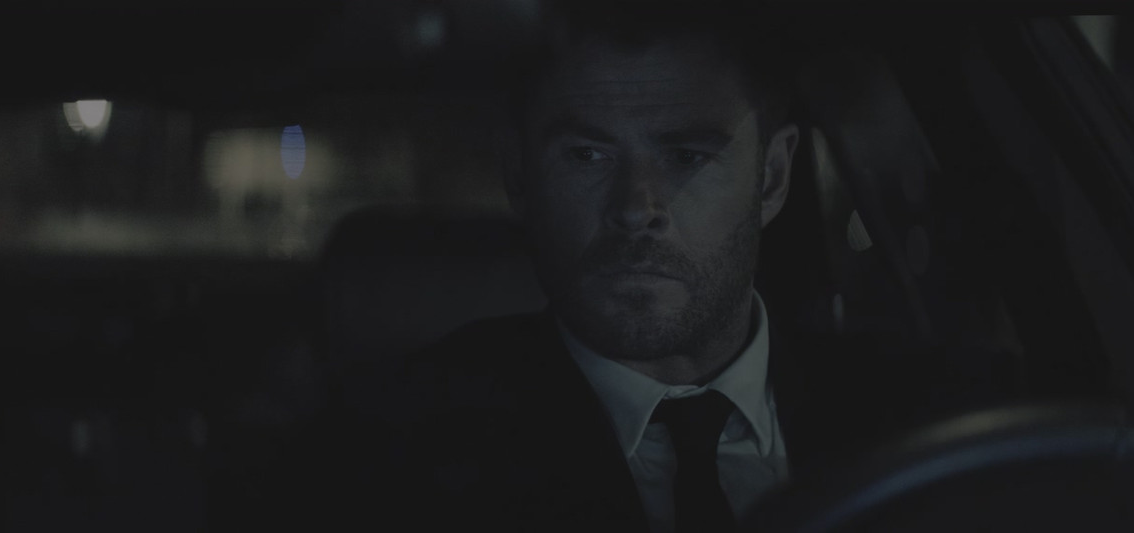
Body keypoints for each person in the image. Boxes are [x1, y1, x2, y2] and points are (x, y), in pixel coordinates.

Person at [266, 3, 990, 532]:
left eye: (688, 155)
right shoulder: (384, 457)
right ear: (520, 179)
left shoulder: (944, 428)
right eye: (588, 155)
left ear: (772, 179)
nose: (637, 207)